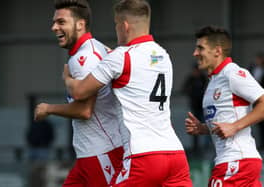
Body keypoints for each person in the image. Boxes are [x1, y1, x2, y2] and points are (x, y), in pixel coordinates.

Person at [63, 0, 192, 186]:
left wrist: (67, 78)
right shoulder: (162, 54)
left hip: (143, 155)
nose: (116, 29)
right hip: (175, 154)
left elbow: (80, 92)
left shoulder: (122, 56)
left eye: (116, 24)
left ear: (124, 26)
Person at [34, 0, 125, 186]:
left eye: (61, 22)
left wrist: (48, 108)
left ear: (80, 24)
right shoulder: (93, 49)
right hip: (89, 154)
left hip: (102, 153)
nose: (54, 27)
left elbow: (85, 111)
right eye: (54, 22)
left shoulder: (85, 58)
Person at [185, 25, 264, 186]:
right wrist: (203, 128)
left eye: (200, 48)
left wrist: (235, 127)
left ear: (217, 51)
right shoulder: (214, 80)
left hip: (237, 161)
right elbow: (226, 119)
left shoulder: (232, 73)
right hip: (237, 161)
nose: (195, 53)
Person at [182, 63, 208, 151]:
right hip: (194, 106)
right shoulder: (191, 79)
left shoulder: (203, 78)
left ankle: (205, 147)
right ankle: (196, 148)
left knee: (207, 126)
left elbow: (207, 90)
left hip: (204, 107)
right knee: (195, 127)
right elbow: (184, 89)